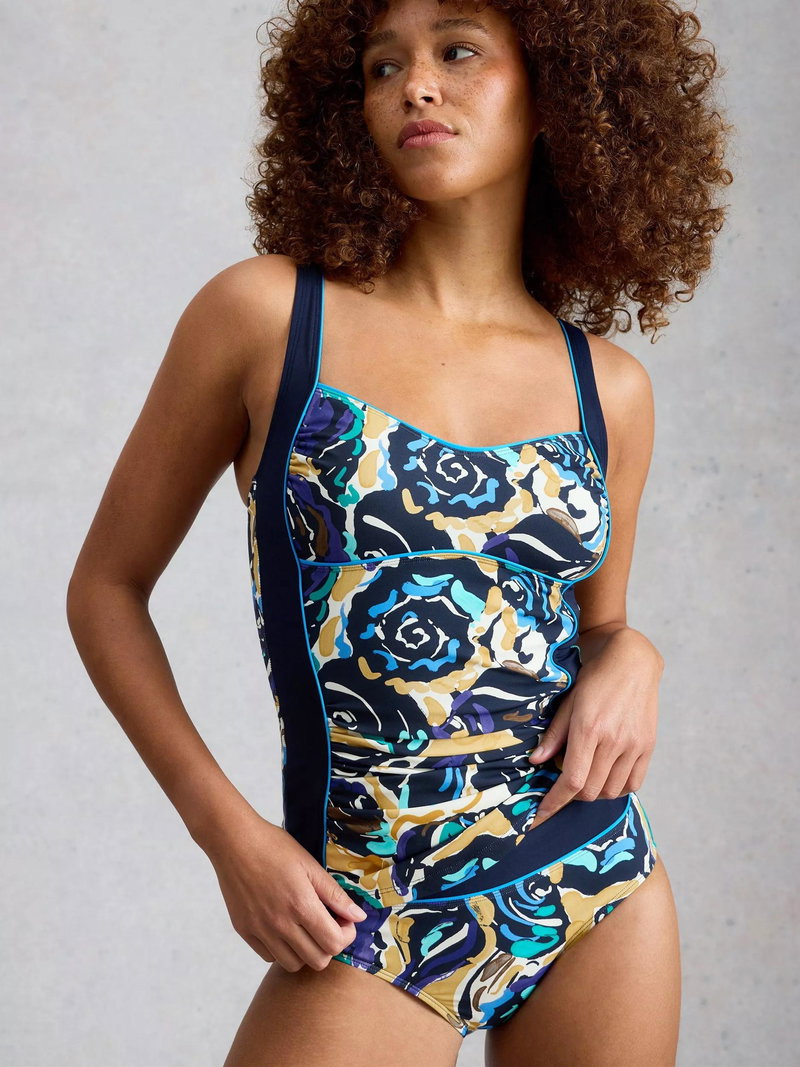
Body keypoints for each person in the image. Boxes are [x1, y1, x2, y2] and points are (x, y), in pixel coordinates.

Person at [67, 0, 733, 1063]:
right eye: (383, 66)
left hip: (592, 878)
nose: (415, 84)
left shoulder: (606, 388)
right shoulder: (267, 317)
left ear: (558, 91)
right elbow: (105, 589)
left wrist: (637, 653)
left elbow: (601, 627)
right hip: (365, 911)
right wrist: (228, 836)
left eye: (457, 52)